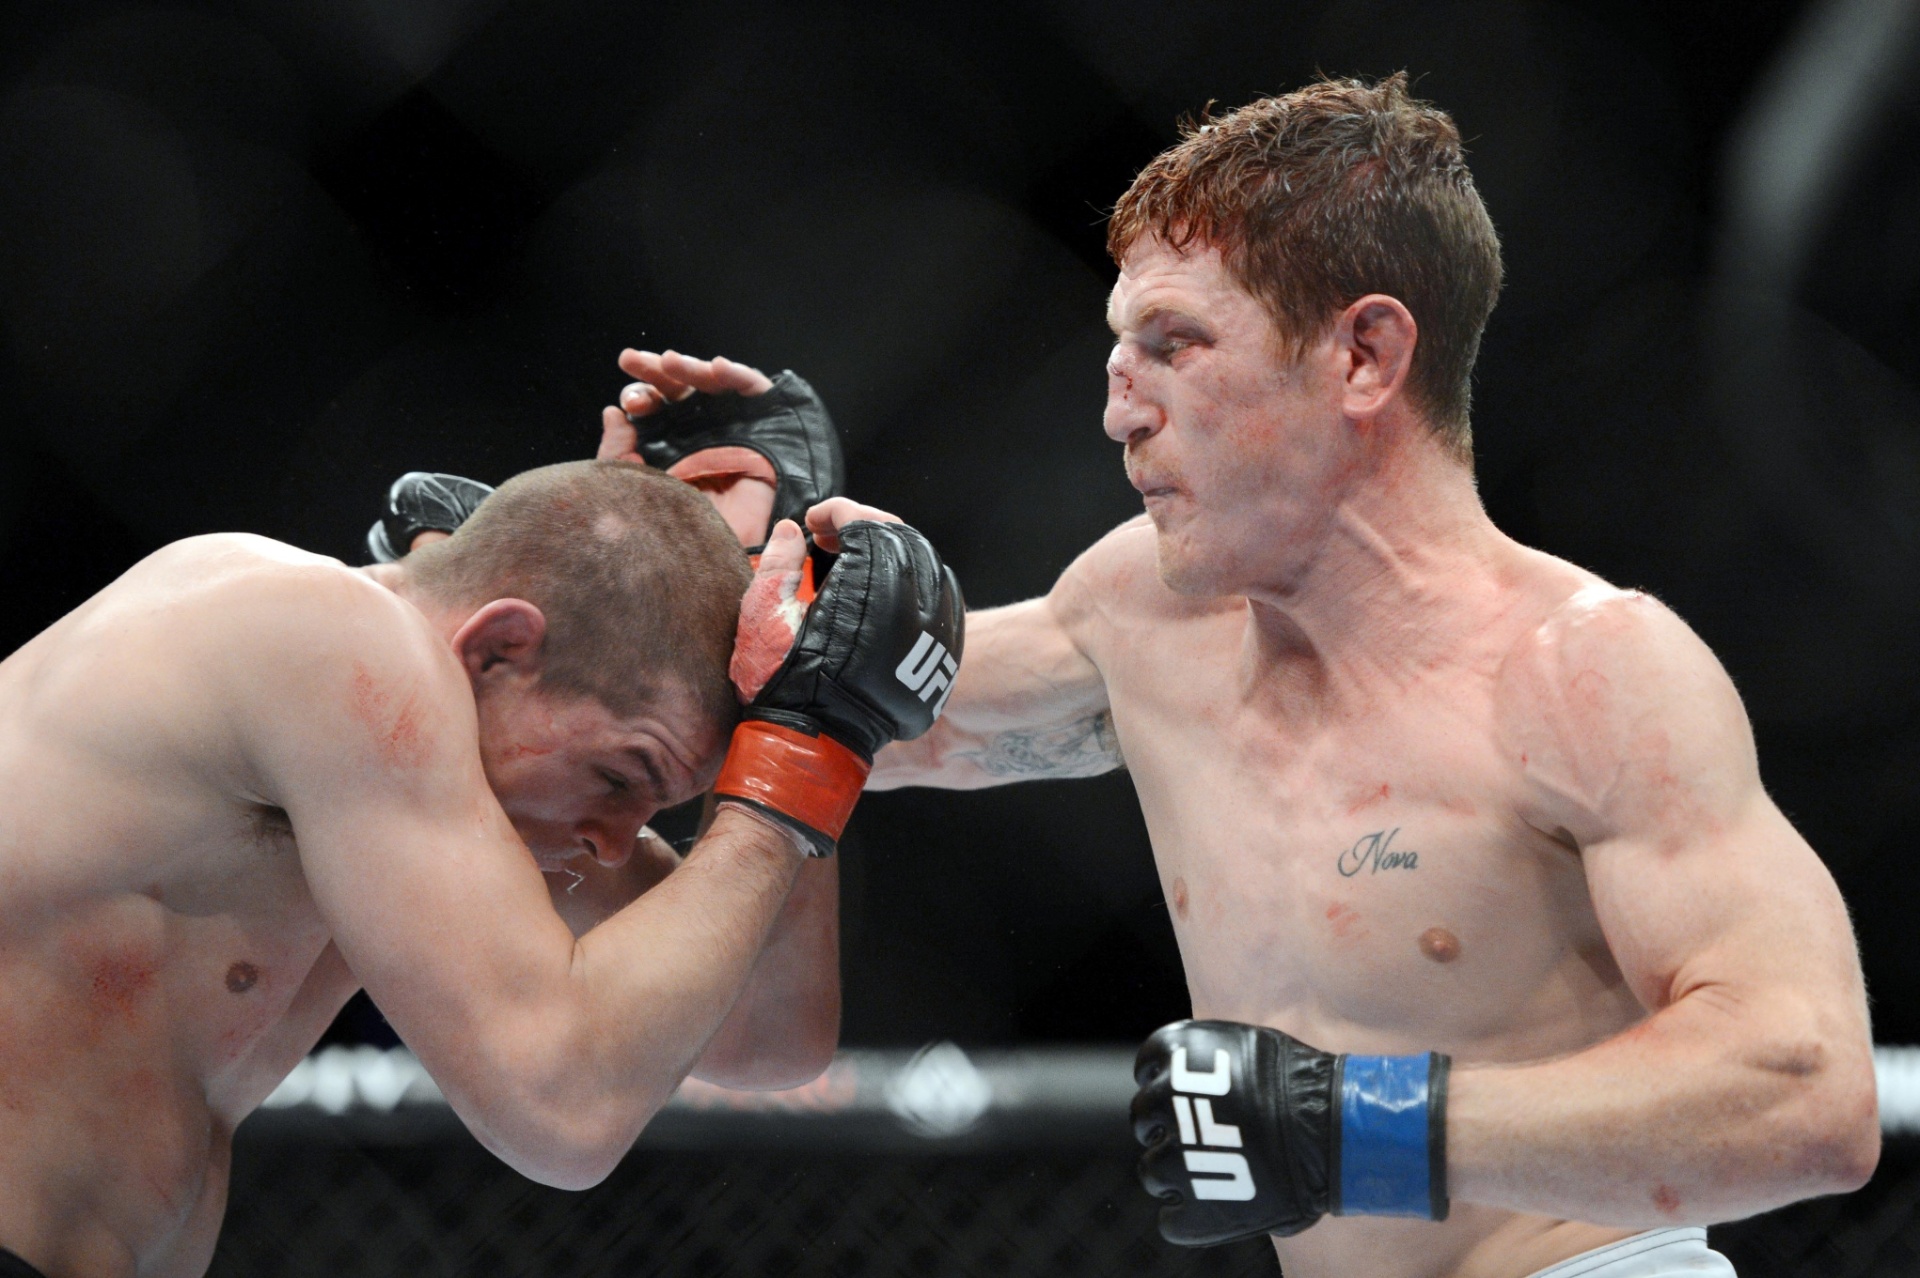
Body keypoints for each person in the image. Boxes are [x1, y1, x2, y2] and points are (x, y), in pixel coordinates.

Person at [605, 76, 1879, 1278]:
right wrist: (730, 542)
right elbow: (843, 707)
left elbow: (1808, 1090)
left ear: (1365, 358)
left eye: (1175, 345)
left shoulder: (1586, 670)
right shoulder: (1147, 612)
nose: (1118, 413)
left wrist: (1357, 1130)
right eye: (1119, 352)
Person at [0, 452, 959, 1278]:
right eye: (622, 775)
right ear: (501, 648)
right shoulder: (321, 636)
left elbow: (766, 1034)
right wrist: (797, 758)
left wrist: (794, 710)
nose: (616, 840)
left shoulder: (428, 774)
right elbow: (563, 1109)